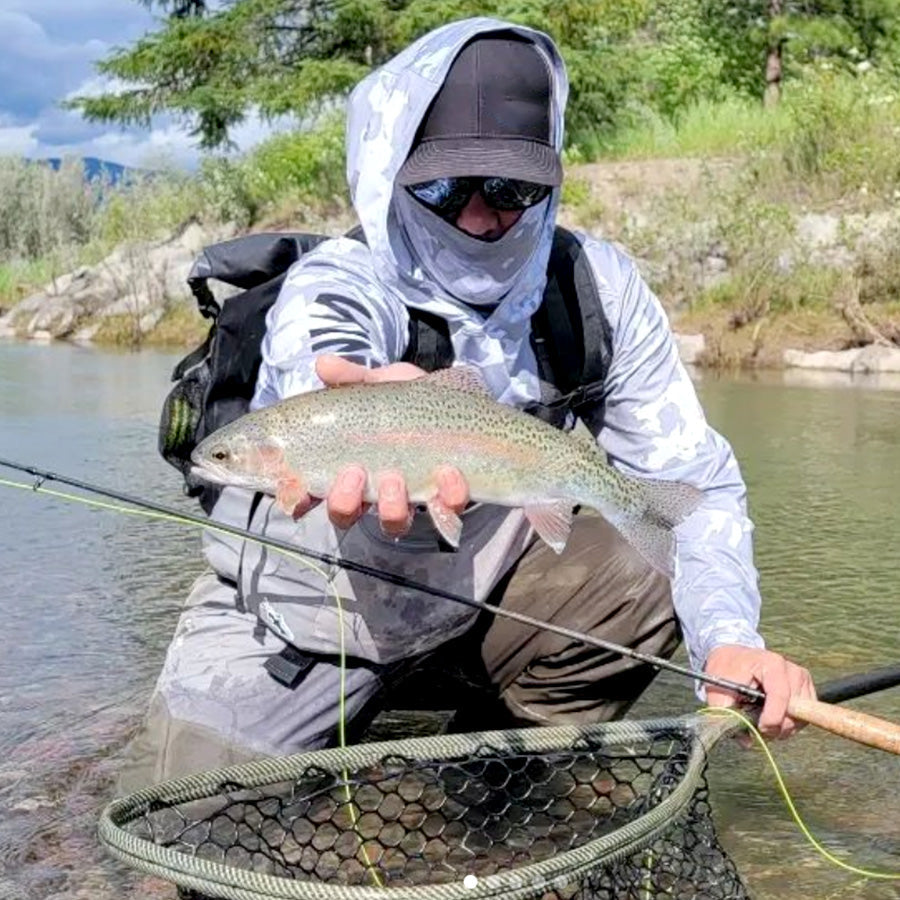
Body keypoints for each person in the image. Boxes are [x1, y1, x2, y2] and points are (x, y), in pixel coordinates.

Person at [119, 17, 816, 793]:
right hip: (305, 621)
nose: (482, 216)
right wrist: (346, 402)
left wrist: (729, 641)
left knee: (649, 567)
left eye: (514, 189)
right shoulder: (339, 284)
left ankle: (479, 790)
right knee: (188, 820)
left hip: (486, 602)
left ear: (550, 180)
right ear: (394, 173)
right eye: (447, 189)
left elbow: (697, 487)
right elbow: (308, 365)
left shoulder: (596, 291)